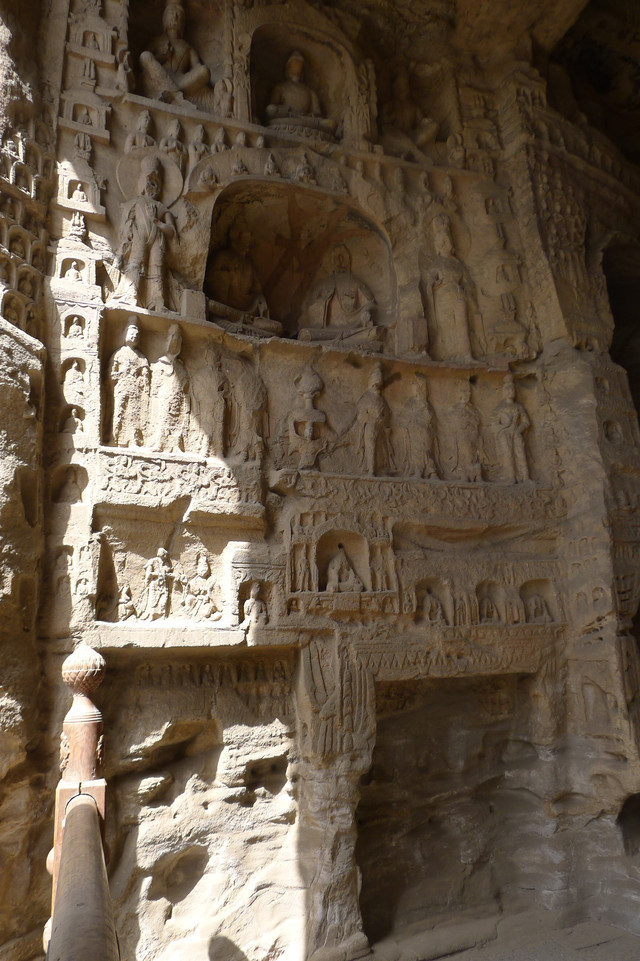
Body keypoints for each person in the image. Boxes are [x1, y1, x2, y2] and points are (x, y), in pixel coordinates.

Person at [112, 155, 176, 311]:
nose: (151, 186)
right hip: (139, 234)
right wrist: (127, 234)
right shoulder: (134, 203)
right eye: (148, 182)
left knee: (157, 268)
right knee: (136, 262)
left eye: (155, 183)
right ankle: (130, 295)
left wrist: (156, 221)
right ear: (141, 182)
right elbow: (125, 224)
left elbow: (172, 232)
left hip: (157, 238)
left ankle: (158, 302)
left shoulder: (161, 207)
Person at [139, 0, 211, 105]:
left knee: (204, 71)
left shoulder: (188, 48)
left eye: (179, 15)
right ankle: (175, 93)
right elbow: (143, 63)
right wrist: (163, 57)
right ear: (165, 19)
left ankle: (171, 91)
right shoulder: (158, 41)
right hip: (160, 76)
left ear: (183, 22)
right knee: (145, 55)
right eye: (171, 13)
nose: (175, 17)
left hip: (180, 81)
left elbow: (197, 68)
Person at [106, 320, 150, 447]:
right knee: (119, 411)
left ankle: (133, 440)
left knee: (134, 414)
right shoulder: (119, 354)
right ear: (125, 335)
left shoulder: (141, 357)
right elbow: (111, 374)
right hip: (122, 387)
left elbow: (145, 376)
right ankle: (115, 439)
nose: (134, 337)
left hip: (135, 389)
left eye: (136, 335)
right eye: (131, 334)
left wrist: (144, 376)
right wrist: (122, 374)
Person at [492, 374, 530, 483]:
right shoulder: (500, 408)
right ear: (504, 391)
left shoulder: (519, 407)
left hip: (516, 432)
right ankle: (511, 476)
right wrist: (505, 426)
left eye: (512, 388)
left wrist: (518, 431)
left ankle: (525, 477)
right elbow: (494, 425)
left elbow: (526, 422)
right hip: (504, 434)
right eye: (508, 389)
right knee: (508, 454)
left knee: (520, 452)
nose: (511, 391)